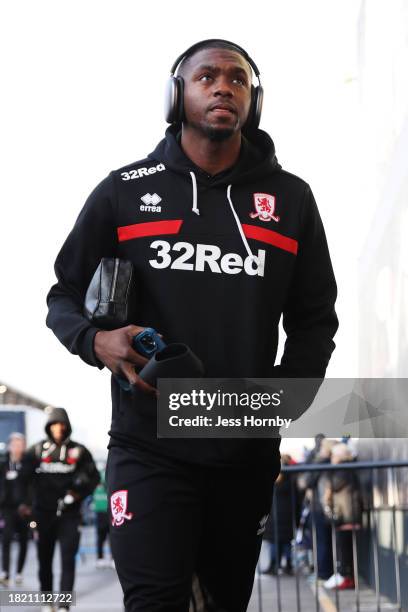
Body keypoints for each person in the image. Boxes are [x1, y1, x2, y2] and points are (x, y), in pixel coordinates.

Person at [45, 38, 339, 611]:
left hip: (243, 451)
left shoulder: (292, 199)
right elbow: (64, 295)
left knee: (223, 603)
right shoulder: (124, 191)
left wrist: (286, 398)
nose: (223, 86)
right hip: (148, 444)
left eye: (238, 78)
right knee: (155, 601)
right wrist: (95, 339)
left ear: (255, 100)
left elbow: (315, 319)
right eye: (207, 76)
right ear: (176, 95)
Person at [19, 407, 100, 612]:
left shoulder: (79, 451)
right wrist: (25, 505)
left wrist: (77, 494)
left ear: (67, 426)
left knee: (67, 560)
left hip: (70, 516)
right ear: (48, 426)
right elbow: (23, 480)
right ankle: (47, 602)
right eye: (54, 424)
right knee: (44, 561)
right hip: (42, 515)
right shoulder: (36, 451)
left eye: (61, 424)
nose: (58, 428)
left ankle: (64, 605)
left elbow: (94, 477)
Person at [322, 442, 362, 590]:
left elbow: (332, 485)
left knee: (346, 550)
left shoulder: (344, 469)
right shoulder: (343, 469)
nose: (331, 458)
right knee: (343, 548)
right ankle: (345, 576)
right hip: (345, 514)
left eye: (333, 455)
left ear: (340, 456)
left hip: (348, 515)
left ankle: (348, 578)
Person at [0, 432, 29, 586]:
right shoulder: (3, 463)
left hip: (23, 509)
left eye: (20, 445)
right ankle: (5, 571)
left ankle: (19, 571)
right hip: (7, 508)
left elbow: (32, 485)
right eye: (15, 444)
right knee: (6, 539)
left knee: (23, 540)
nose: (17, 448)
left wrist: (29, 504)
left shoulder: (27, 464)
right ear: (10, 446)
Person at [92, 466, 111, 568]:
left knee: (111, 537)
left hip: (110, 510)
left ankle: (113, 559)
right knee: (101, 536)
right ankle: (100, 558)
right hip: (100, 511)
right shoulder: (98, 476)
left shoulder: (110, 474)